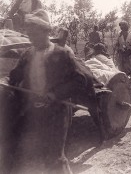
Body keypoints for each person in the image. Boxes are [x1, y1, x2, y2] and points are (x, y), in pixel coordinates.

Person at [5, 9, 95, 174]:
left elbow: (79, 80)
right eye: (29, 33)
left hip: (57, 111)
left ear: (46, 31)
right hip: (32, 111)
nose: (31, 36)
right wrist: (6, 82)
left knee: (54, 157)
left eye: (35, 33)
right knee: (25, 154)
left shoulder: (62, 54)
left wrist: (54, 94)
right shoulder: (28, 55)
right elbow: (14, 77)